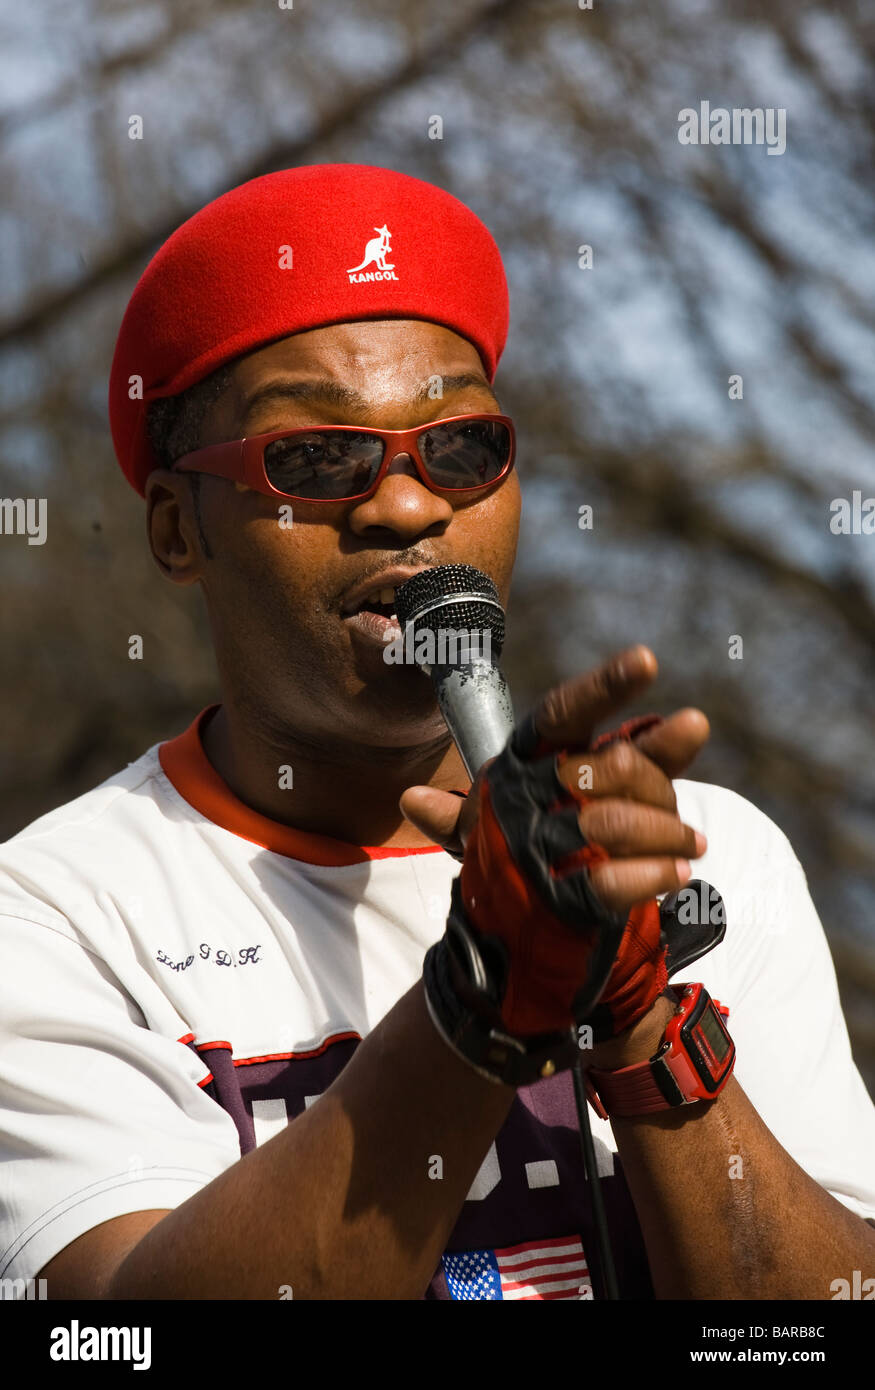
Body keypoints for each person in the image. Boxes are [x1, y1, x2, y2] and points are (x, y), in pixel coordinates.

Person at [1, 164, 873, 1301]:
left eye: (458, 448)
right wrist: (479, 997)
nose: (407, 505)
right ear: (177, 528)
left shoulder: (693, 852)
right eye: (316, 458)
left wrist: (643, 1026)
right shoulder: (56, 910)